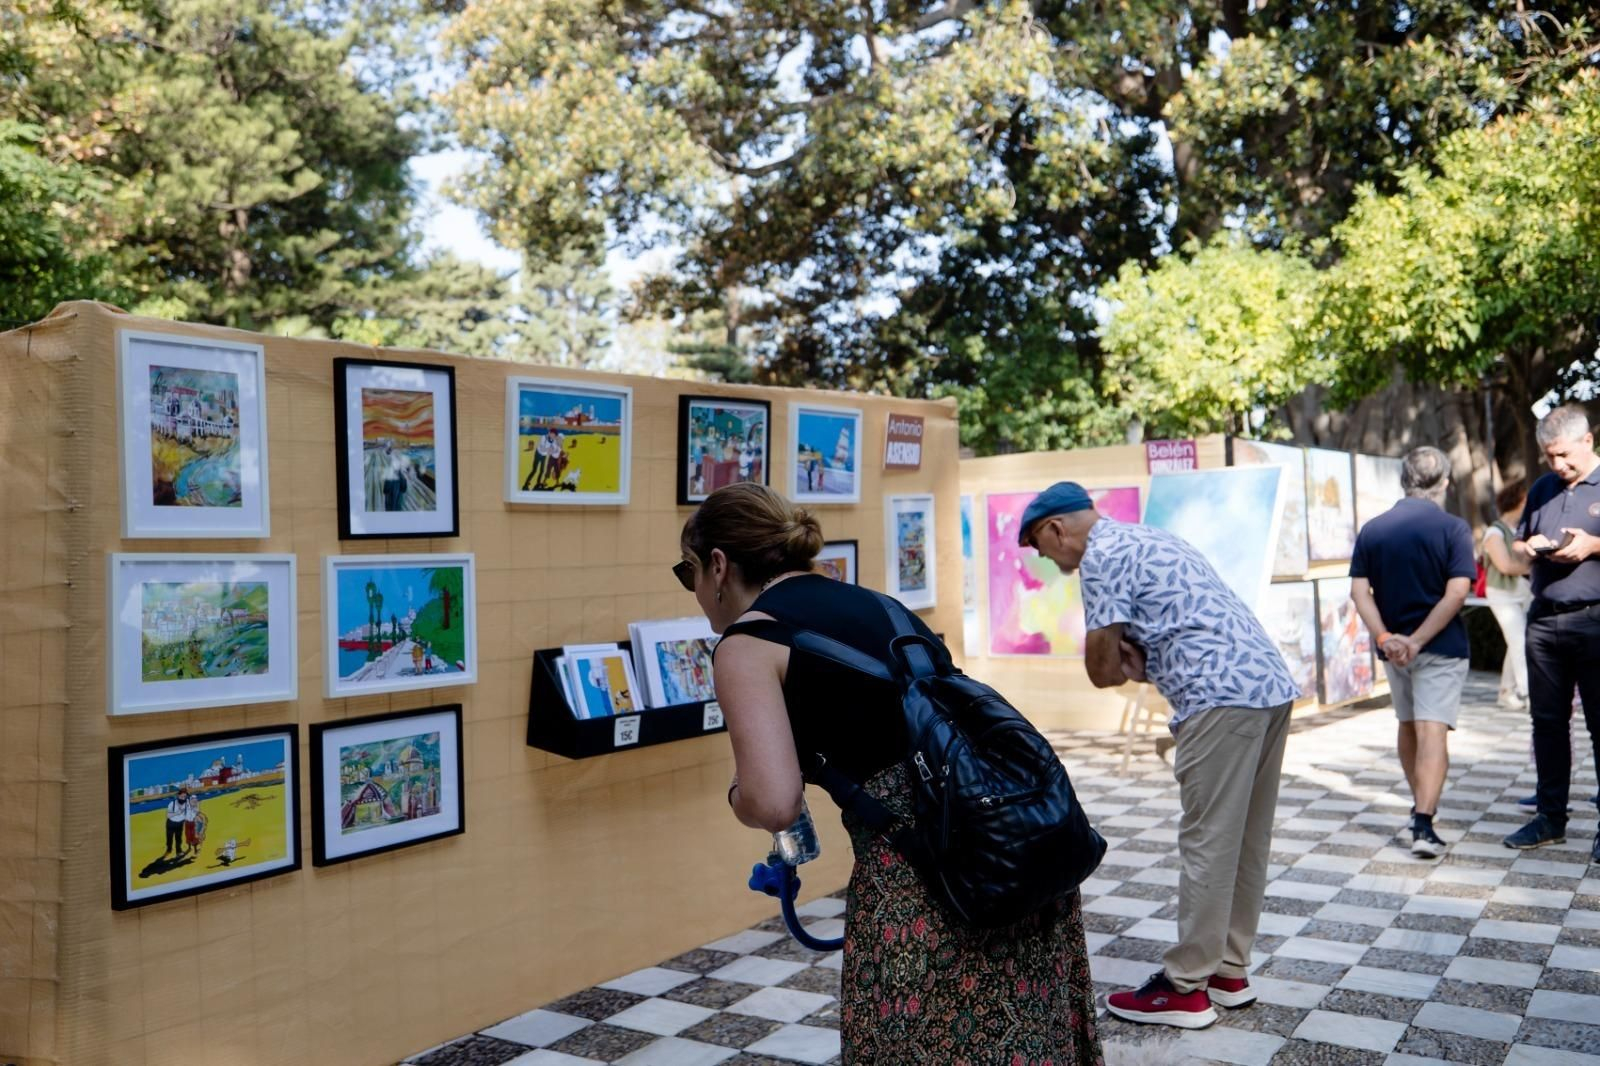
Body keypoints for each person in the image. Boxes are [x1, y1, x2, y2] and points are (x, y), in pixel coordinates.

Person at [677, 482, 1101, 1062]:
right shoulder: (881, 605)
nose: (695, 591)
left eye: (689, 573)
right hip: (1008, 851)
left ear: (719, 566)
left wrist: (737, 796)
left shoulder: (747, 642)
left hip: (923, 882)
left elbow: (773, 802)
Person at [1021, 481, 1299, 1030]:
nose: (1048, 562)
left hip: (1217, 699)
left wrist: (1118, 652)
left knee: (1209, 841)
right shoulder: (1150, 538)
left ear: (1056, 529)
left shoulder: (1099, 557)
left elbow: (1102, 672)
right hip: (1267, 686)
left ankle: (1185, 987)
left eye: (1039, 547)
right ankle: (1228, 971)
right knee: (1246, 838)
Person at [1347, 446, 1475, 860]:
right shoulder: (1454, 529)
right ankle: (1424, 821)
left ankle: (1419, 805)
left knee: (1407, 724)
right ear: (1445, 483)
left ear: (1403, 480)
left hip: (1394, 650)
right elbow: (1458, 592)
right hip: (1440, 647)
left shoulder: (1374, 529)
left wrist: (1386, 637)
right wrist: (1418, 640)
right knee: (1431, 729)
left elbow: (1358, 592)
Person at [1503, 404, 1600, 856]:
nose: (1558, 465)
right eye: (1549, 457)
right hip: (1543, 620)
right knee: (1546, 723)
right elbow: (1521, 541)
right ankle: (1550, 818)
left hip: (1595, 619)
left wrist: (1593, 545)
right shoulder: (1543, 488)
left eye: (1564, 455)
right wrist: (1530, 546)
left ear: (1588, 441)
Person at [1483, 479, 1532, 710]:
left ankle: (1506, 692)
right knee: (1520, 641)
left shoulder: (1518, 530)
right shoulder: (1494, 532)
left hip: (1520, 593)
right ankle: (1527, 692)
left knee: (1516, 642)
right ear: (1520, 500)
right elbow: (1504, 566)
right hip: (1502, 594)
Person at [163, 787, 191, 858]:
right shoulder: (172, 804)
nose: (183, 798)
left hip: (180, 824)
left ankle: (178, 851)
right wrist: (177, 813)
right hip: (171, 824)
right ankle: (169, 849)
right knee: (169, 838)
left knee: (178, 839)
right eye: (182, 796)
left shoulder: (187, 803)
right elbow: (168, 815)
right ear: (178, 796)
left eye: (185, 796)